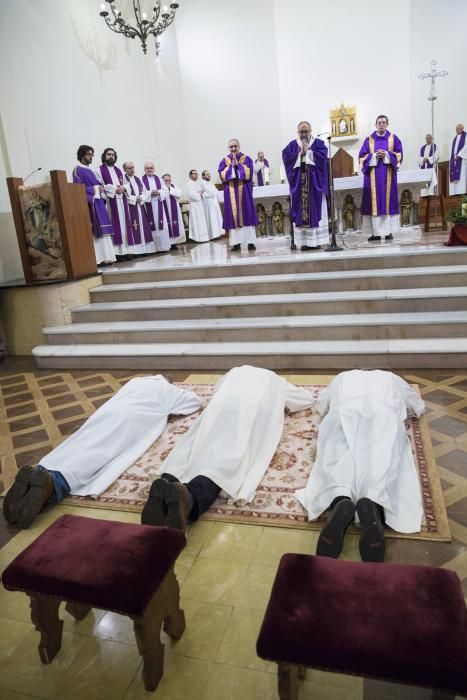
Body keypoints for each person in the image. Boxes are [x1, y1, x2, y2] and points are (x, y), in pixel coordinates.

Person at [3, 376, 202, 529]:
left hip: (105, 413)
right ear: (168, 381)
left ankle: (42, 473)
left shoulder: (135, 382)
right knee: (100, 453)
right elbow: (194, 402)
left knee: (79, 443)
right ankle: (52, 484)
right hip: (131, 421)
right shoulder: (168, 389)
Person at [141, 365, 314, 530]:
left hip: (220, 408)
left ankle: (167, 481)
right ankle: (190, 496)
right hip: (250, 414)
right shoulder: (277, 381)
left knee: (193, 448)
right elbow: (305, 399)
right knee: (228, 459)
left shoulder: (234, 372)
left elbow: (216, 389)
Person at [295, 369, 425, 563]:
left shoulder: (342, 377)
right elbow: (417, 405)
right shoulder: (392, 378)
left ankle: (340, 501)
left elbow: (322, 406)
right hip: (384, 413)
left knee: (338, 455)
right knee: (383, 458)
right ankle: (373, 505)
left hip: (345, 411)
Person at [282, 120, 329, 252]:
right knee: (300, 211)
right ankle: (303, 242)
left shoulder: (319, 144)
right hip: (299, 185)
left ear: (311, 131)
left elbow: (323, 159)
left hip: (315, 185)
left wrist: (309, 152)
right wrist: (299, 154)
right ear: (298, 132)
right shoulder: (292, 146)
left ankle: (317, 241)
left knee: (315, 209)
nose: (303, 134)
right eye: (301, 132)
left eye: (306, 131)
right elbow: (287, 158)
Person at [359, 115, 403, 242]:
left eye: (384, 122)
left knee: (387, 203)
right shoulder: (369, 139)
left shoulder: (394, 138)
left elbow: (399, 155)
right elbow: (362, 157)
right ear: (375, 124)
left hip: (388, 176)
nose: (381, 124)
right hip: (372, 176)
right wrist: (373, 156)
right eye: (379, 122)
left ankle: (388, 232)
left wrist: (387, 154)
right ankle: (375, 233)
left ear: (387, 124)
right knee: (374, 204)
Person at [72, 145, 116, 265]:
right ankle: (98, 259)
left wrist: (101, 187)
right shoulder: (77, 170)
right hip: (91, 205)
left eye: (92, 154)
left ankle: (107, 257)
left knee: (104, 230)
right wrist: (96, 189)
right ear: (82, 155)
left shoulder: (91, 170)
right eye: (88, 154)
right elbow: (79, 189)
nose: (91, 157)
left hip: (99, 203)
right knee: (96, 231)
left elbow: (97, 183)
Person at [97, 147, 140, 259]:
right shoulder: (99, 170)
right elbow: (100, 185)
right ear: (104, 156)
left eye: (113, 155)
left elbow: (127, 183)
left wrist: (123, 188)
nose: (111, 156)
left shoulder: (119, 170)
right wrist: (114, 189)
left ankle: (125, 252)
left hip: (122, 201)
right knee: (115, 225)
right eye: (108, 154)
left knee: (125, 226)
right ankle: (117, 253)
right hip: (110, 202)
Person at [218, 139, 258, 252]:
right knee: (233, 217)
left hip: (244, 193)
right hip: (231, 193)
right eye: (231, 147)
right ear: (228, 148)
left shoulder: (247, 159)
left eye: (235, 146)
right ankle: (236, 244)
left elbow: (248, 173)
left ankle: (251, 242)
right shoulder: (224, 161)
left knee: (247, 215)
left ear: (239, 146)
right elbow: (222, 175)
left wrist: (238, 166)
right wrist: (232, 167)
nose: (233, 148)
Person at [122, 161, 156, 256]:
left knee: (143, 227)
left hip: (140, 206)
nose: (132, 169)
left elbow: (145, 192)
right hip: (130, 207)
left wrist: (141, 198)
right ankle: (136, 251)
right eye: (129, 168)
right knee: (134, 227)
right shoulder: (123, 180)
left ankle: (144, 250)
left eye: (133, 167)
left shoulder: (138, 179)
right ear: (125, 169)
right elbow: (124, 194)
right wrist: (134, 199)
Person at [142, 161, 171, 252]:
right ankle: (153, 248)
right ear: (144, 169)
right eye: (147, 168)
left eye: (151, 168)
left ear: (154, 169)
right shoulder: (141, 179)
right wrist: (150, 193)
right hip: (148, 205)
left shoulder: (159, 179)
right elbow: (141, 192)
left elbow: (165, 190)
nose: (149, 170)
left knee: (161, 226)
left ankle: (163, 247)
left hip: (159, 205)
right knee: (151, 226)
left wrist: (158, 192)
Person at [161, 173, 186, 249]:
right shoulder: (161, 187)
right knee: (167, 226)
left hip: (174, 209)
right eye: (166, 180)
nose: (168, 182)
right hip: (165, 210)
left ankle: (174, 243)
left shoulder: (173, 186)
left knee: (175, 225)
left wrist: (170, 189)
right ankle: (168, 244)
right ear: (162, 180)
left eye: (169, 180)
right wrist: (168, 190)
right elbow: (162, 196)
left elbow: (179, 193)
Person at [184, 169, 209, 242]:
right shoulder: (188, 184)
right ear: (190, 175)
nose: (196, 175)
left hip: (200, 204)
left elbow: (202, 192)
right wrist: (199, 194)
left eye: (197, 174)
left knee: (201, 221)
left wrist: (200, 193)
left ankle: (204, 237)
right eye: (194, 174)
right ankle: (197, 238)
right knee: (196, 221)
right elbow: (191, 195)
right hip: (194, 205)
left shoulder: (198, 183)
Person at [201, 170, 223, 240]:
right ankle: (212, 235)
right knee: (211, 219)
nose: (209, 175)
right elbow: (208, 192)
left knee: (216, 218)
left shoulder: (210, 183)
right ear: (203, 176)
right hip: (208, 203)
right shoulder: (202, 183)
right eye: (207, 174)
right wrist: (213, 193)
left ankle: (217, 234)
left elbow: (216, 192)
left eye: (209, 174)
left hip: (214, 202)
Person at [449, 123, 467, 196]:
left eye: (458, 129)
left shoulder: (465, 136)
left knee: (462, 177)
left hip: (462, 160)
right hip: (454, 159)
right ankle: (455, 194)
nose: (457, 130)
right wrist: (452, 159)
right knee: (454, 179)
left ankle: (462, 193)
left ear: (462, 128)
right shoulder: (455, 138)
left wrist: (459, 155)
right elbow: (452, 150)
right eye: (456, 129)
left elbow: (466, 146)